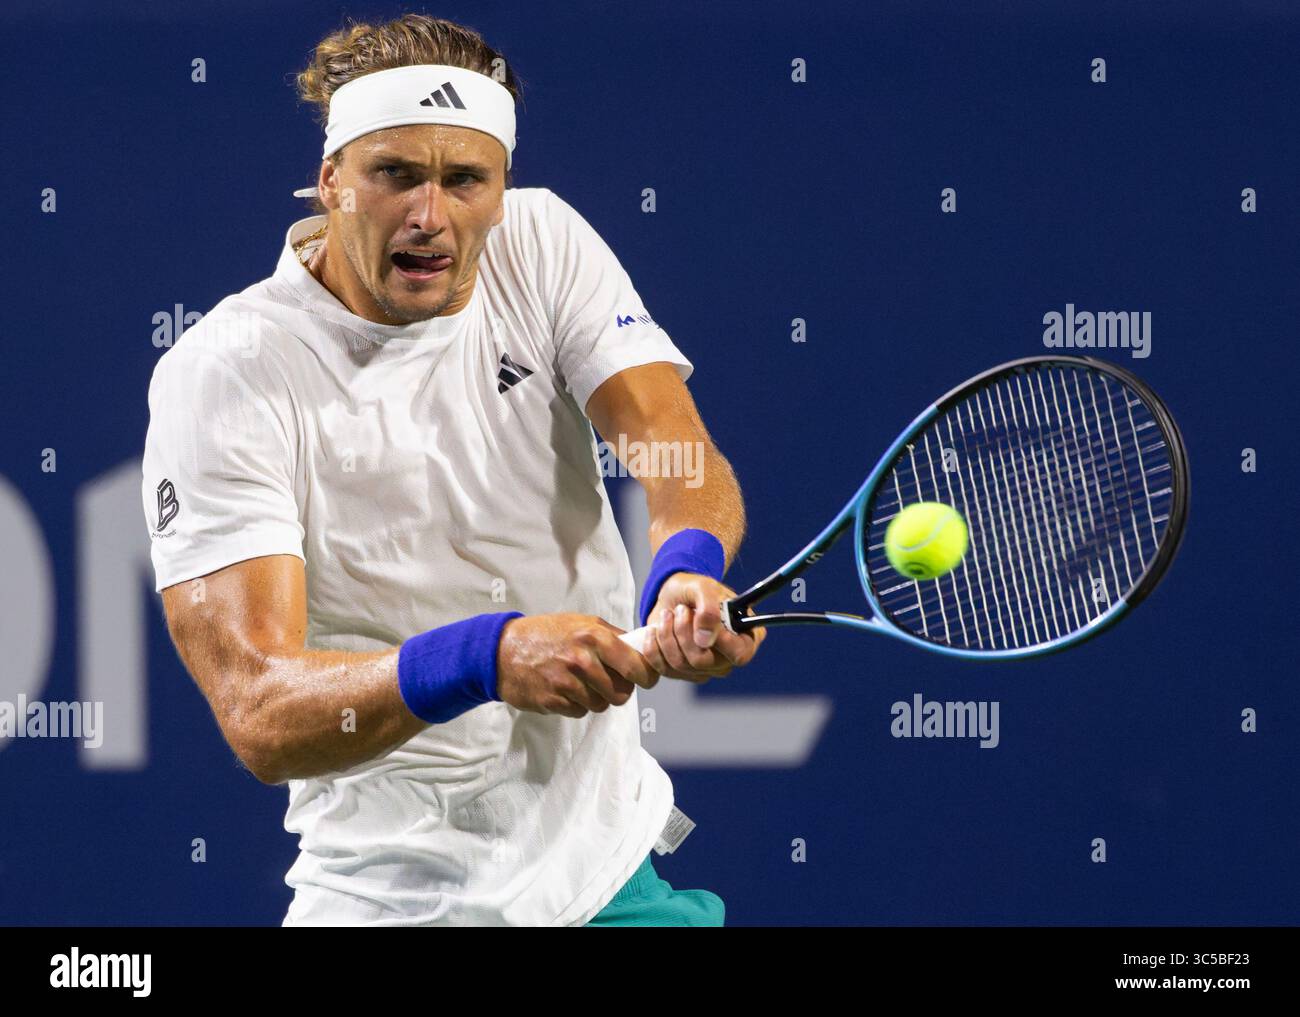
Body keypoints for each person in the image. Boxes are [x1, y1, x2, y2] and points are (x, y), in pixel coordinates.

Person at [140, 14, 764, 926]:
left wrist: (687, 571)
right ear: (330, 186)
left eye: (464, 180)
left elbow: (675, 451)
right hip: (397, 898)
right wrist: (488, 655)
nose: (430, 215)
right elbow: (260, 710)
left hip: (605, 872)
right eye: (393, 175)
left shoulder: (544, 244)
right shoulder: (226, 369)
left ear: (502, 193)